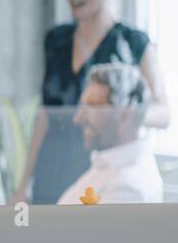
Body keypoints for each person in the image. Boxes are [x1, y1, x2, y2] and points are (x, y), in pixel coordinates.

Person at [14, 0, 168, 204]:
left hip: (100, 167)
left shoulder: (133, 43)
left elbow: (164, 112)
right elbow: (45, 117)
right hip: (52, 169)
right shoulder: (56, 40)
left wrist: (119, 111)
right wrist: (23, 185)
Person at [58, 63, 163, 205]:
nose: (78, 118)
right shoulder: (106, 166)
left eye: (92, 107)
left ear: (126, 115)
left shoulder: (128, 188)